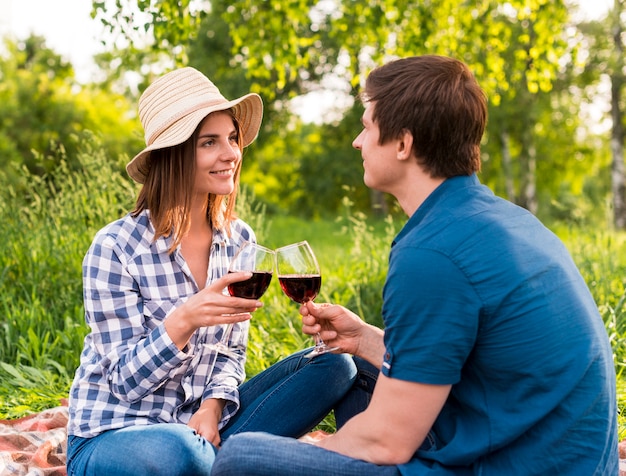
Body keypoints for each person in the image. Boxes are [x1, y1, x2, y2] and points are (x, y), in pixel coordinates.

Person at [211, 55, 619, 475]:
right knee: (363, 372)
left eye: (367, 127)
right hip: (550, 451)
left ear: (403, 144)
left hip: (514, 465)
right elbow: (465, 362)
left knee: (244, 458)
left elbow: (387, 441)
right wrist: (365, 339)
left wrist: (319, 445)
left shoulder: (432, 254)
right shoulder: (501, 220)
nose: (357, 141)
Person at [65, 67, 357, 476]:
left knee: (337, 365)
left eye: (232, 138)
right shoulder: (115, 248)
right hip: (117, 433)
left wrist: (212, 406)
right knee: (180, 453)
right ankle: (229, 464)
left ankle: (222, 463)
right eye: (210, 143)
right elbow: (123, 384)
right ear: (174, 155)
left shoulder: (240, 242)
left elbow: (231, 351)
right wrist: (183, 321)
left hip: (208, 427)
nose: (231, 154)